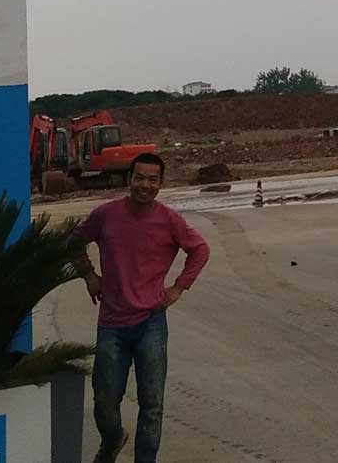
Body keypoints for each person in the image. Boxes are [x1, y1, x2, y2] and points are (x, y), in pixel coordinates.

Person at [70, 152, 210, 463]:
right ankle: (112, 440)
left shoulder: (169, 220)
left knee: (152, 404)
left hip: (151, 323)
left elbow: (200, 249)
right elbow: (74, 240)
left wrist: (179, 287)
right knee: (105, 399)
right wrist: (89, 275)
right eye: (139, 178)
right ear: (129, 178)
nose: (145, 185)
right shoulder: (106, 215)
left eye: (152, 179)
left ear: (160, 183)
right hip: (112, 324)